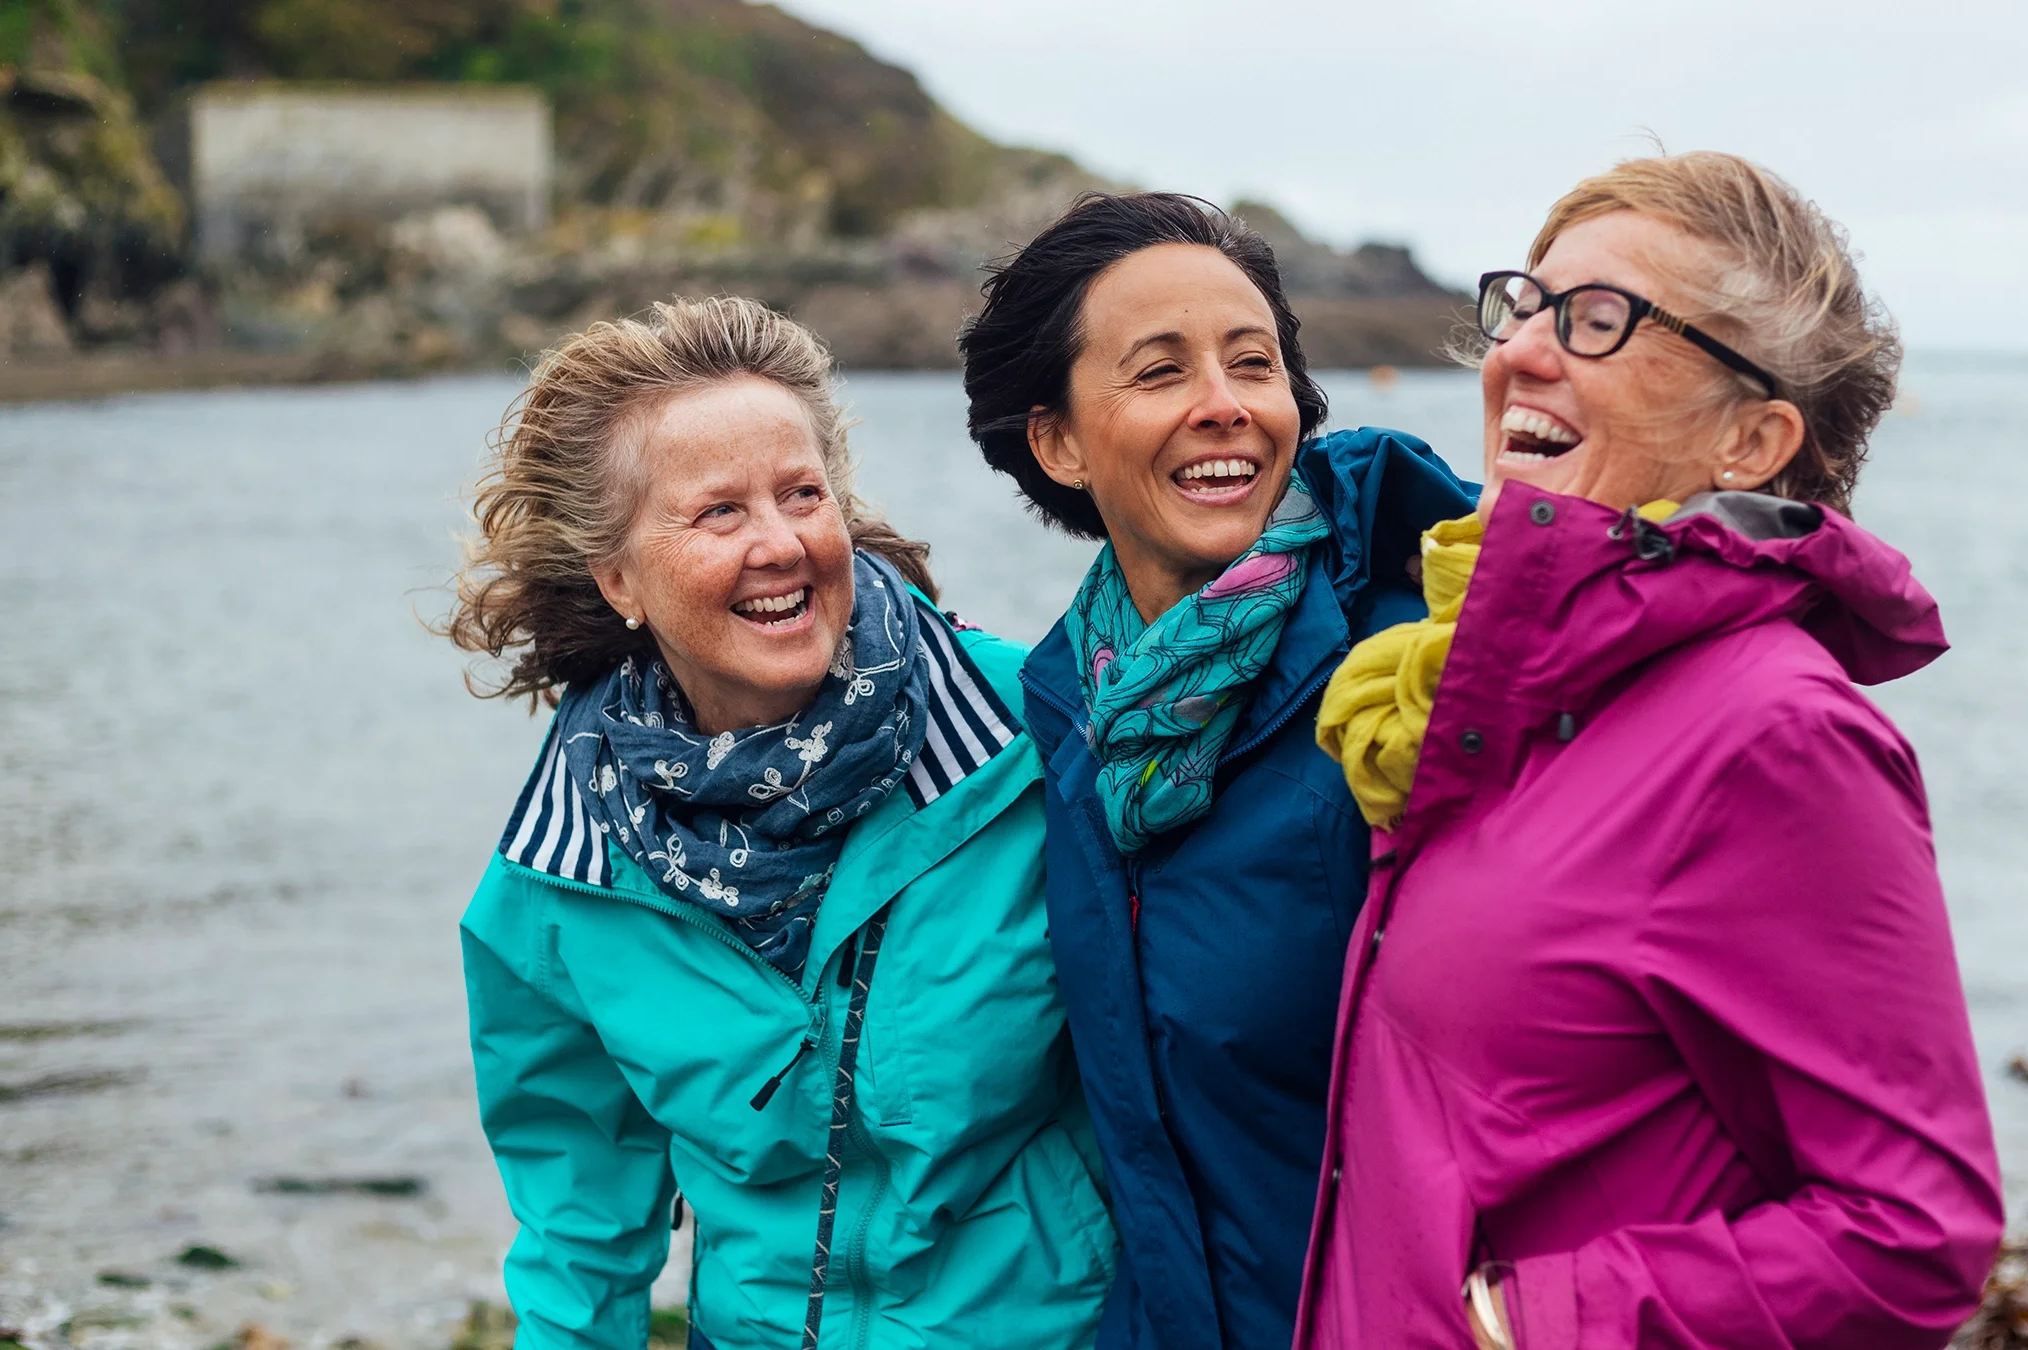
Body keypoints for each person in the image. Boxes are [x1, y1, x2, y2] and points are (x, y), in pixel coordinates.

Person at [1297, 152, 2004, 1350]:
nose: (1522, 350)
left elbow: (1914, 1233)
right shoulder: (1481, 693)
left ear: (1751, 440)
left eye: (1601, 320)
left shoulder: (1779, 738)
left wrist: (1514, 1325)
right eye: (1526, 303)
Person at [444, 296, 1112, 1350]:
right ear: (618, 578)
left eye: (802, 495)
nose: (780, 543)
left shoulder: (1035, 740)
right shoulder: (562, 876)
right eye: (718, 513)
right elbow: (581, 1234)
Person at [959, 193, 1475, 1350]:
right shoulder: (1066, 710)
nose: (1226, 406)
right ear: (1056, 440)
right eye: (1159, 372)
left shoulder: (1409, 677)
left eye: (1255, 363)